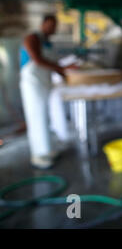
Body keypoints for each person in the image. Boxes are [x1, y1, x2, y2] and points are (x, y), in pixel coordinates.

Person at [19, 14, 70, 169]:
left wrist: (64, 73)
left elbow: (51, 63)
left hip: (44, 84)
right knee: (36, 118)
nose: (52, 28)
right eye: (50, 25)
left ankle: (47, 150)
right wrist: (61, 69)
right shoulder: (32, 38)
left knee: (44, 118)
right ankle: (39, 155)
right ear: (43, 24)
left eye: (54, 25)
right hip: (33, 84)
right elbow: (38, 60)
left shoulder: (48, 42)